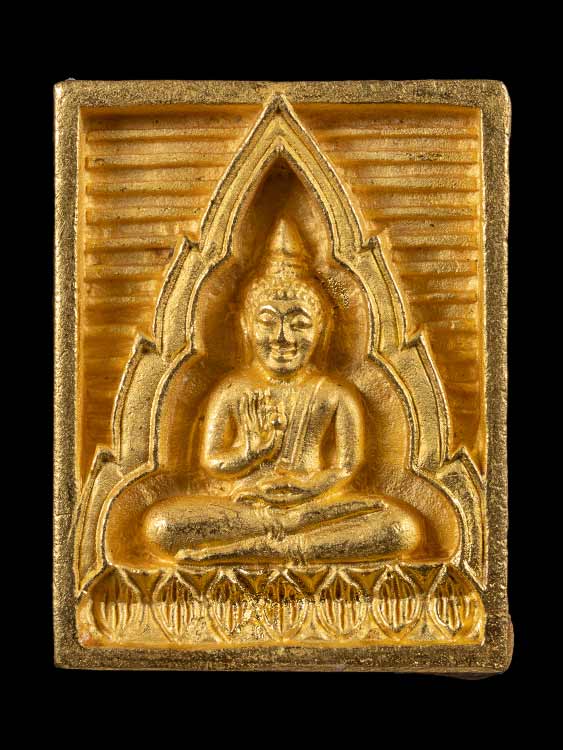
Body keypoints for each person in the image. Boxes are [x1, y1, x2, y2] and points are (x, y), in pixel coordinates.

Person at [142, 217, 423, 564]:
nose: (282, 338)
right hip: (249, 509)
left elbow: (345, 467)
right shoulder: (233, 389)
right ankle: (287, 543)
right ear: (246, 326)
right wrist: (250, 453)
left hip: (313, 509)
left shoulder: (334, 393)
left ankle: (271, 548)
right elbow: (213, 461)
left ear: (321, 328)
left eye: (299, 324)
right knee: (162, 524)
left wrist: (307, 489)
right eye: (268, 322)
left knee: (400, 527)